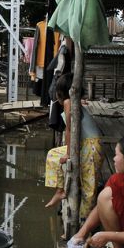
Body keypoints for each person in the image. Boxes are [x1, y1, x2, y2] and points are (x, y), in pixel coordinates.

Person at [43, 74, 104, 212]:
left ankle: (83, 226)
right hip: (85, 144)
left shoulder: (68, 103)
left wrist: (69, 153)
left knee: (89, 188)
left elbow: (70, 130)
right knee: (53, 155)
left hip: (92, 146)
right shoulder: (72, 102)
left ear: (60, 92)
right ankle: (60, 190)